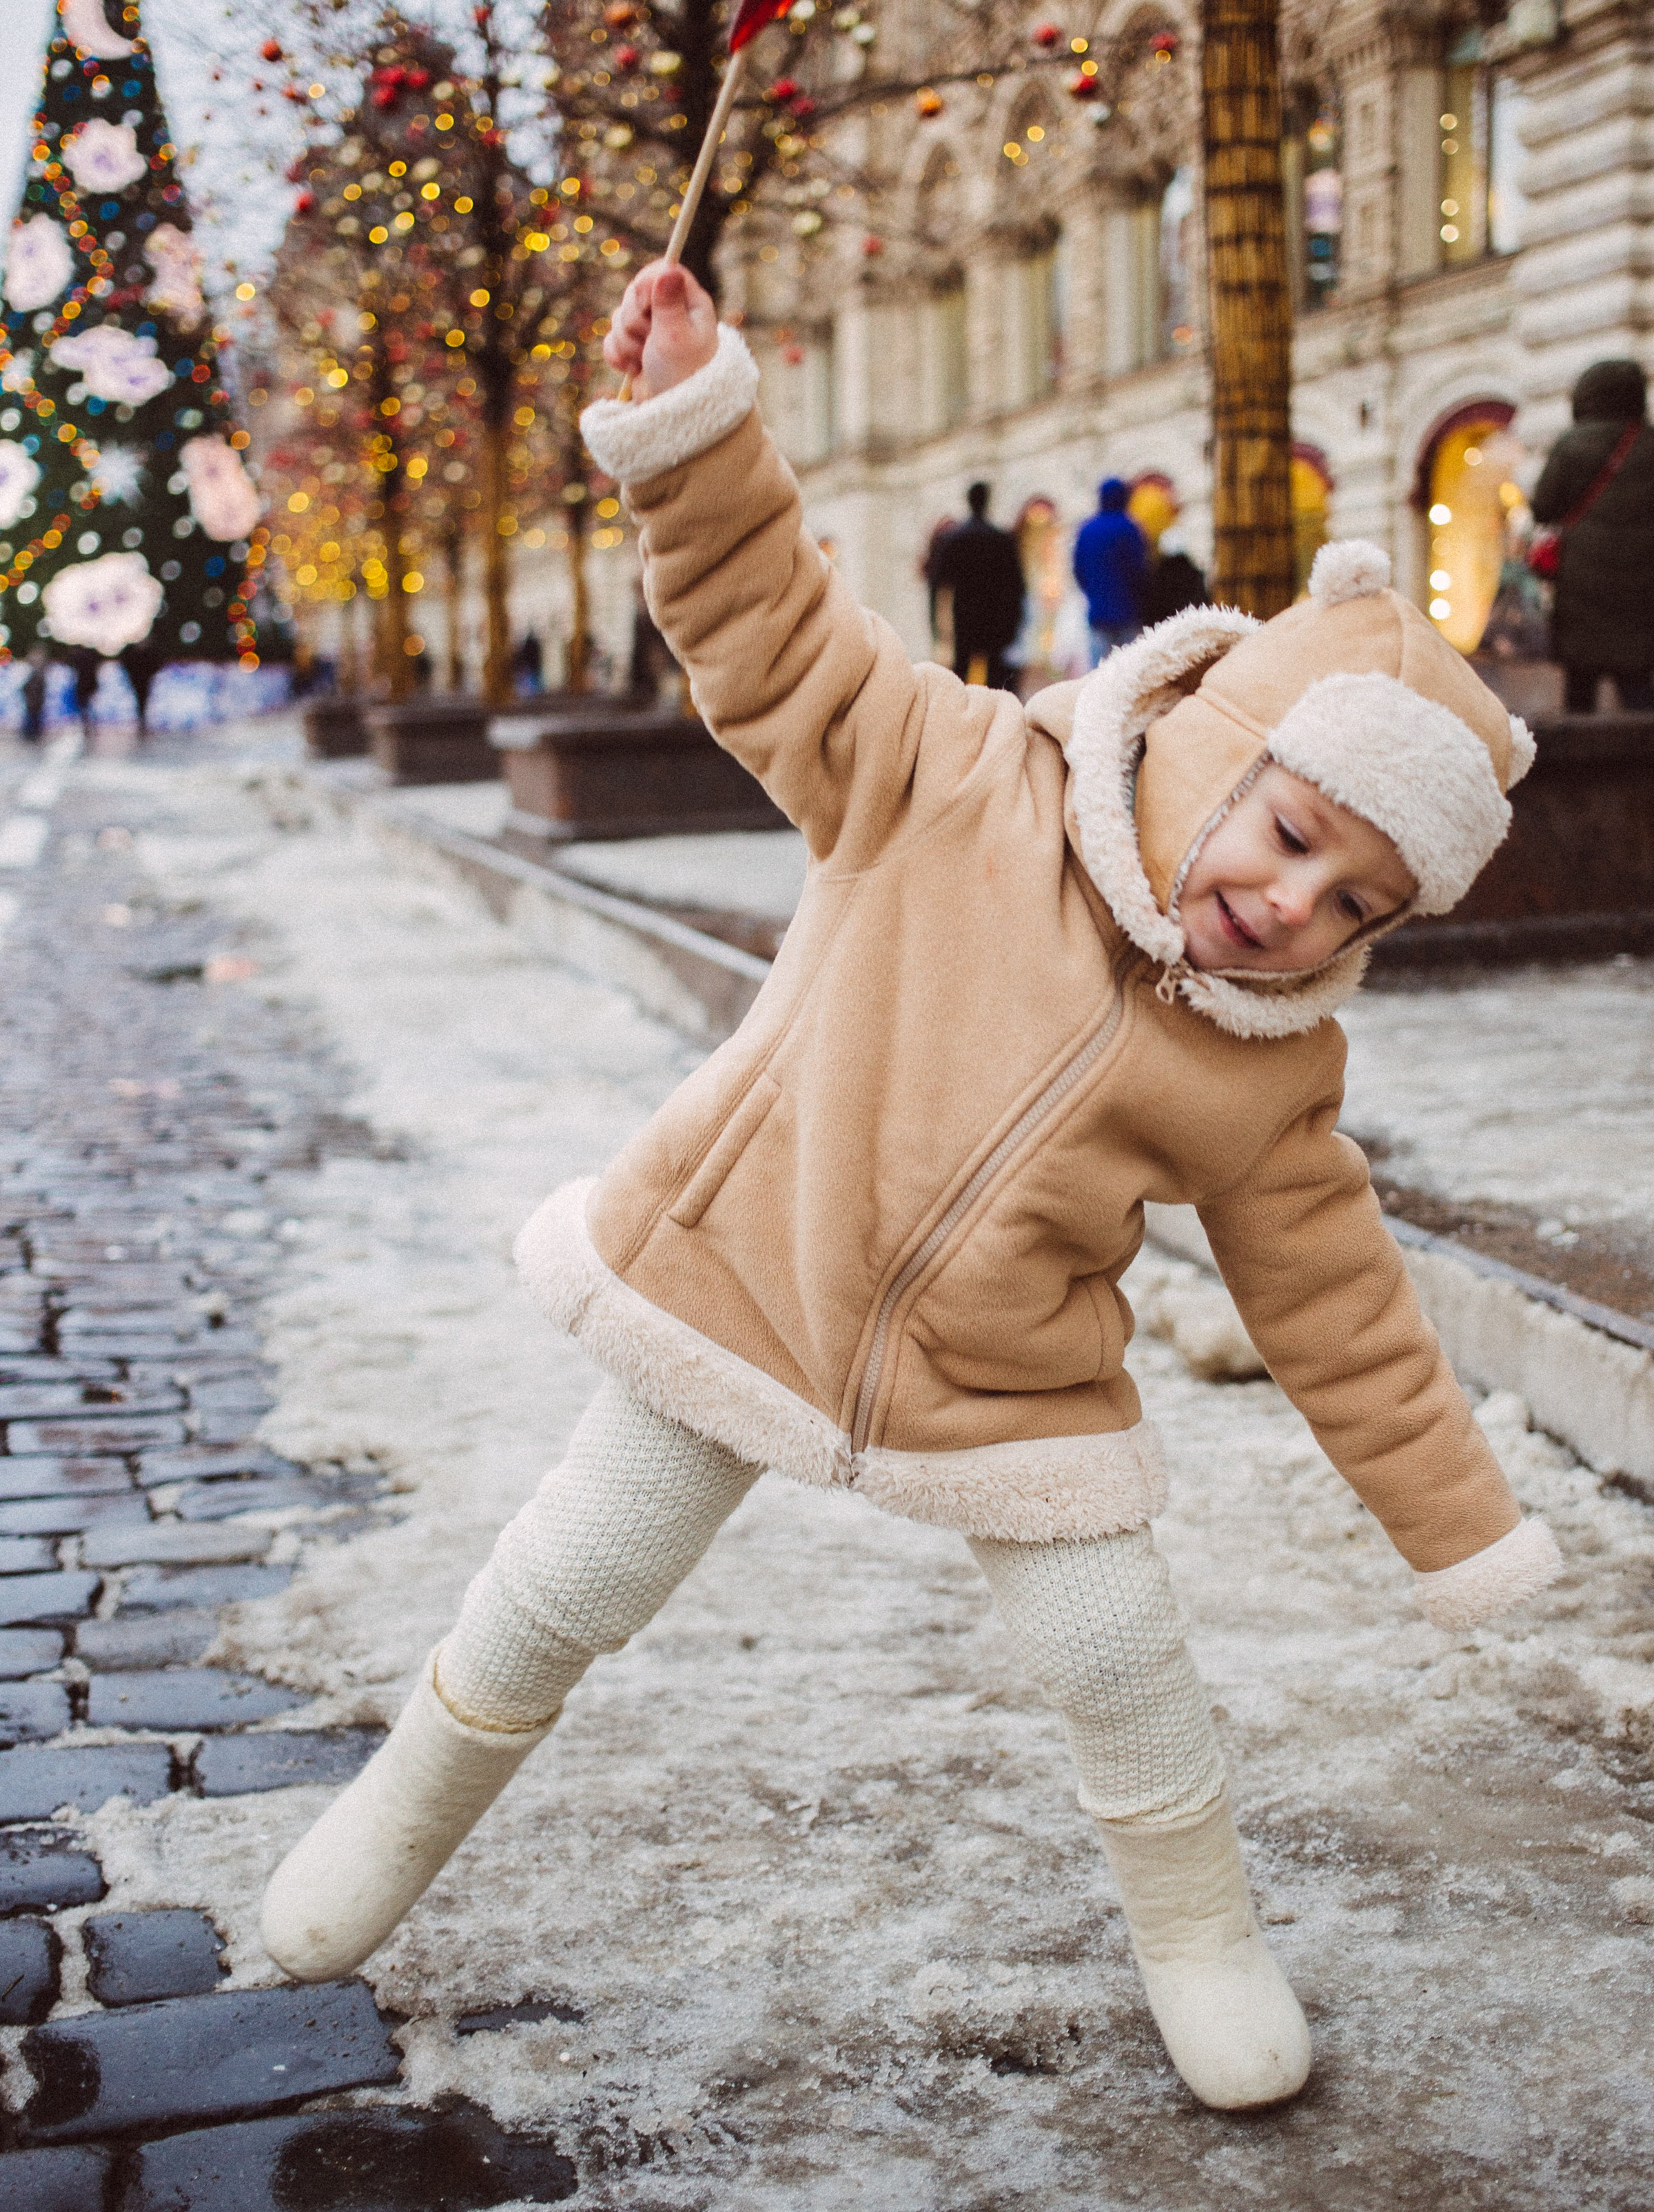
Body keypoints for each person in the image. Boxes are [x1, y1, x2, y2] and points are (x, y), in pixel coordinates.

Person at [264, 262, 1560, 2116]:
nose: (1294, 908)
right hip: (743, 1275)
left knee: (1122, 1656)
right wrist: (696, 430)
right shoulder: (952, 776)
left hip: (1008, 1381)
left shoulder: (1265, 1063)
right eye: (1289, 835)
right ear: (1206, 740)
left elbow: (1342, 1306)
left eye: (1358, 904)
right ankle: (397, 1816)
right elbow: (772, 630)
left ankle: (1201, 1937)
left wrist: (1459, 1529)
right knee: (571, 1575)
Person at [1529, 357, 1654, 713]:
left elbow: (1543, 508)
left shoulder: (1572, 444)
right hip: (1642, 584)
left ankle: (1579, 762)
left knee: (1580, 686)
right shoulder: (1649, 442)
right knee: (1637, 681)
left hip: (1582, 584)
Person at [924, 482, 1025, 688]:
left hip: (965, 618)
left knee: (961, 677)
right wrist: (1014, 624)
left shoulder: (953, 539)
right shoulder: (1001, 540)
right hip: (995, 619)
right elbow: (1017, 587)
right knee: (997, 682)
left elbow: (937, 585)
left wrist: (938, 629)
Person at [1073, 477, 1147, 664]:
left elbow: (1079, 570)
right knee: (1128, 671)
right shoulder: (1130, 528)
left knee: (1098, 672)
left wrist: (1093, 593)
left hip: (1098, 613)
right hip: (1128, 612)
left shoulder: (1087, 530)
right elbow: (1139, 571)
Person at [1139, 535, 1208, 631]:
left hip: (1163, 629)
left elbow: (1153, 604)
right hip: (1191, 626)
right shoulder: (1194, 574)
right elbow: (1202, 600)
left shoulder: (1159, 575)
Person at [19, 651, 48, 744]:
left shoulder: (36, 675)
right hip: (35, 701)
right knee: (33, 718)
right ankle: (31, 735)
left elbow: (29, 687)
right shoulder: (37, 674)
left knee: (33, 718)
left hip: (34, 701)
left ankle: (32, 735)